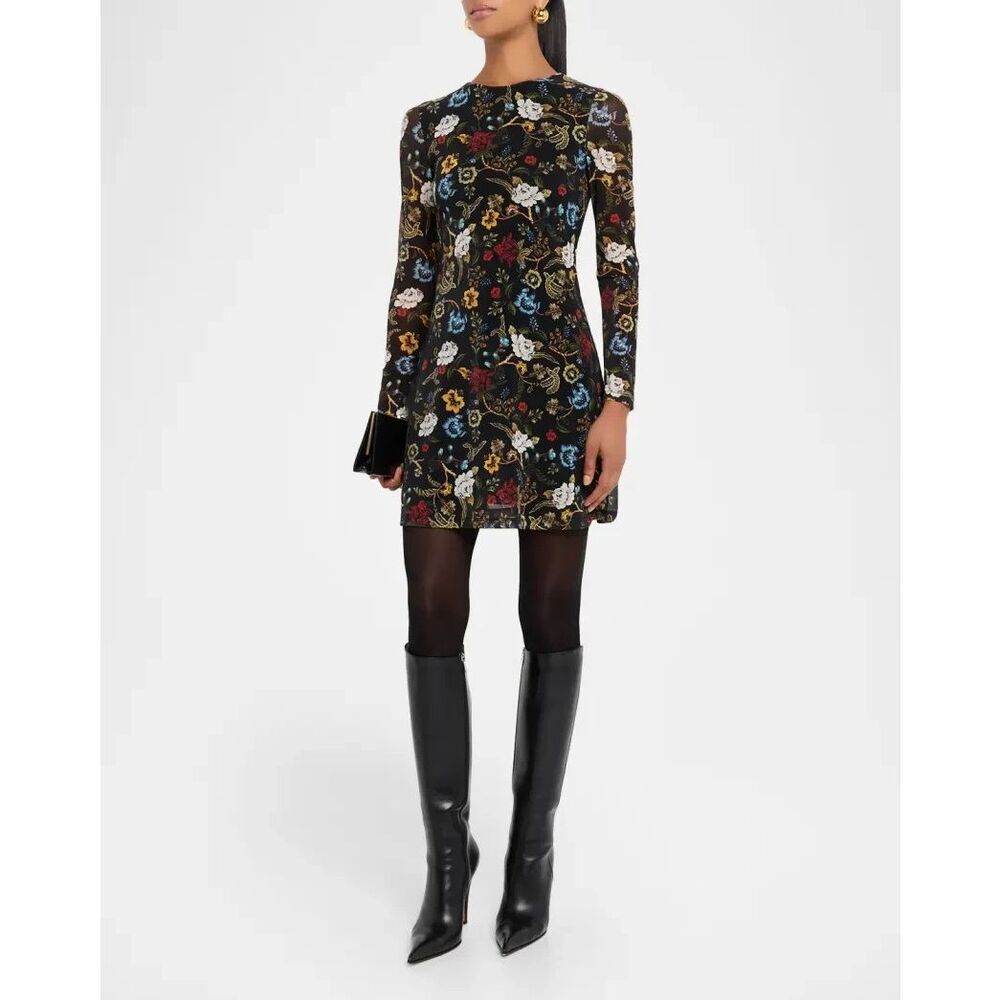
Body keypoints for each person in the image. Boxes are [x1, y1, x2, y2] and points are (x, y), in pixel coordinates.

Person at [369, 0, 638, 963]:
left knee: (549, 616)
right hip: (445, 395)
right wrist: (390, 417)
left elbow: (618, 265)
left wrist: (618, 401)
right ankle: (449, 862)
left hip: (560, 396)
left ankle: (532, 856)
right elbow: (414, 275)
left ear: (543, 2)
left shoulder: (596, 114)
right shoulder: (428, 125)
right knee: (432, 611)